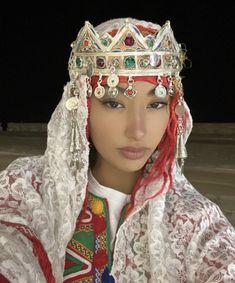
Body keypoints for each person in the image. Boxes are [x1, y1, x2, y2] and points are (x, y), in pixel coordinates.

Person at [0, 17, 234, 283]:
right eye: (114, 103)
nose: (137, 130)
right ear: (81, 108)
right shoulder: (27, 192)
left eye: (156, 104)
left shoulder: (193, 220)